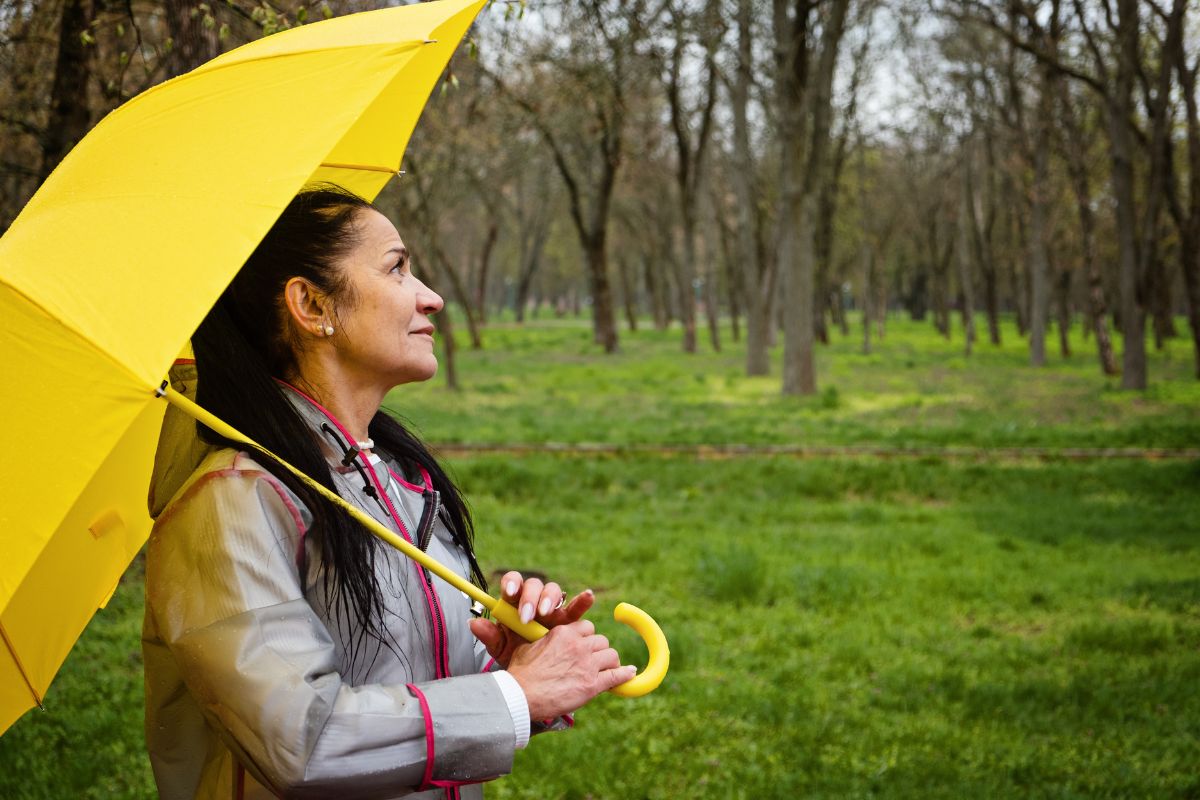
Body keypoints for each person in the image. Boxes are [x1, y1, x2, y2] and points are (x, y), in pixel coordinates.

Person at [142, 186, 635, 800]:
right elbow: (303, 740)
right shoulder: (230, 506)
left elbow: (399, 677)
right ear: (312, 304)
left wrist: (507, 666)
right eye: (397, 267)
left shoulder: (392, 478)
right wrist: (511, 697)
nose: (432, 296)